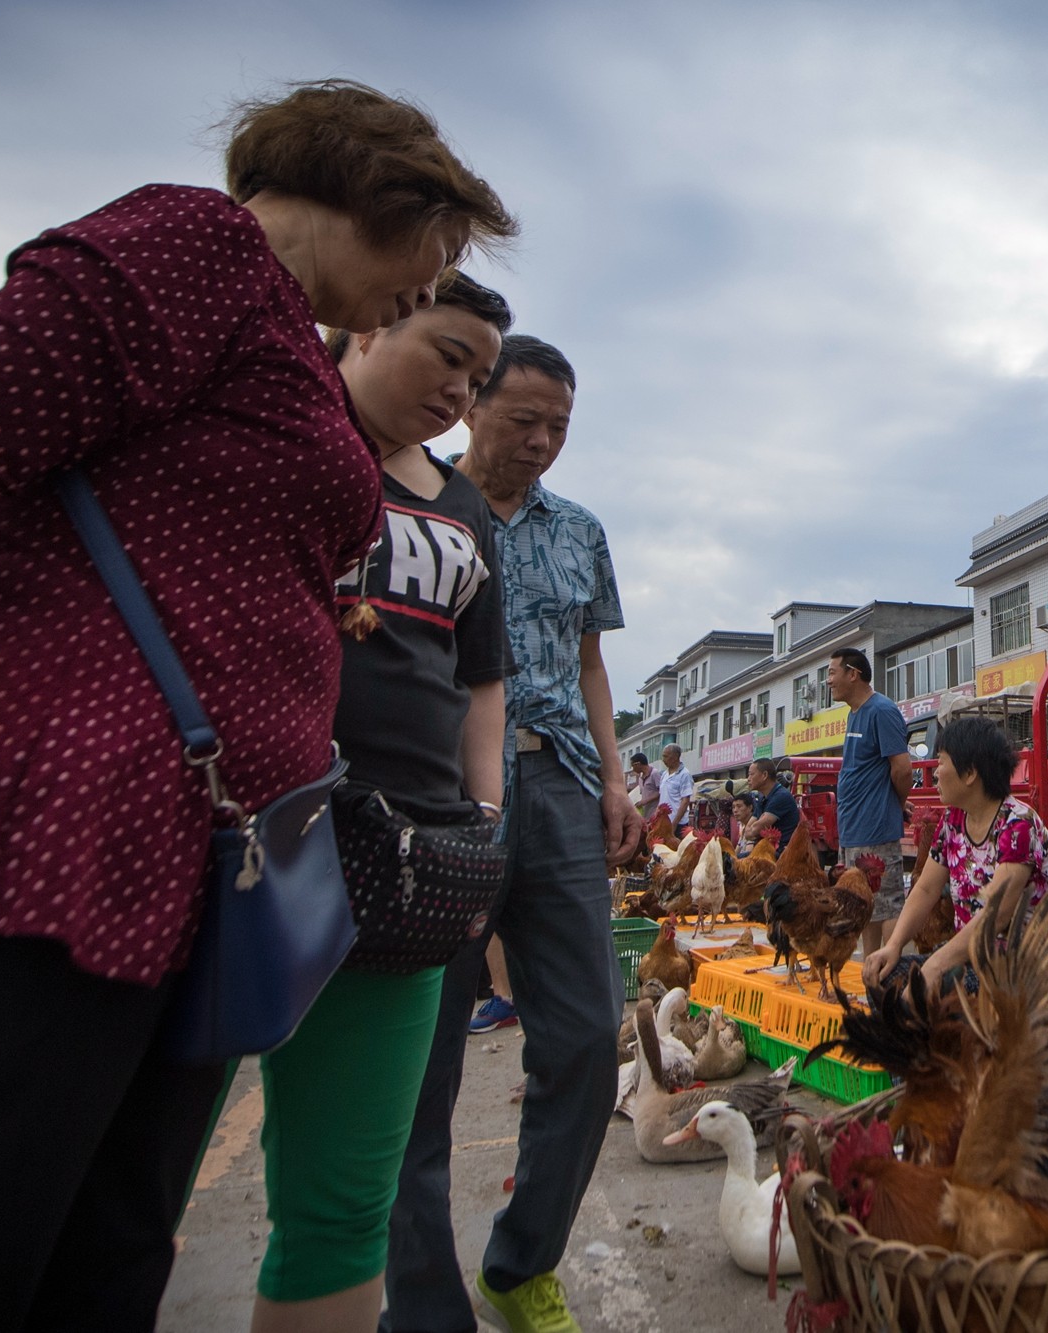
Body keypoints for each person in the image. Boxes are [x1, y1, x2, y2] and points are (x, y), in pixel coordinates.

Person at [0, 80, 515, 1332]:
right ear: (377, 192)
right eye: (436, 252)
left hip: (173, 883)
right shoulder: (190, 245)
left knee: (98, 1265)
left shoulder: (273, 332)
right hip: (36, 851)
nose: (429, 283)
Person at [238, 271, 516, 1333]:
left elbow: (477, 675)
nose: (459, 389)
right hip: (247, 840)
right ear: (367, 319)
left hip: (403, 860)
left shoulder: (459, 508)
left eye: (477, 375)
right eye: (445, 354)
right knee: (125, 1180)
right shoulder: (277, 437)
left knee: (346, 1203)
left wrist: (481, 808)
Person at [385, 336, 641, 1333]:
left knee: (583, 1037)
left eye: (559, 427)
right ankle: (416, 1298)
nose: (540, 441)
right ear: (470, 406)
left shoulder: (579, 529)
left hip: (562, 789)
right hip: (436, 798)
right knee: (417, 1053)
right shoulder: (420, 507)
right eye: (522, 419)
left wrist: (613, 778)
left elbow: (588, 666)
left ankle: (520, 1261)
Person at [866, 717, 1048, 987]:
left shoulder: (1018, 825)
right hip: (977, 955)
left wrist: (937, 962)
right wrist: (895, 945)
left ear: (970, 773)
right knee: (884, 978)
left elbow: (998, 913)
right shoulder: (953, 821)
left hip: (1027, 966)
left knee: (937, 987)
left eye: (942, 762)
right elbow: (926, 889)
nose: (935, 773)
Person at [828, 647, 912, 954]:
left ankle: (891, 972)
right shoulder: (854, 713)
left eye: (832, 672)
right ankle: (871, 970)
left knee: (887, 903)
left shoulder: (881, 711)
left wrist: (897, 805)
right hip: (854, 830)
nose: (828, 681)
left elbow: (902, 769)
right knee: (864, 905)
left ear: (854, 674)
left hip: (875, 829)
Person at [741, 757, 801, 847]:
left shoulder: (781, 796)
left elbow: (754, 830)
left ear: (764, 775)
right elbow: (747, 832)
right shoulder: (762, 798)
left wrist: (755, 830)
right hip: (766, 850)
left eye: (751, 774)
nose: (748, 779)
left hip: (782, 853)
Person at [656, 742, 694, 829]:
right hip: (663, 821)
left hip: (678, 824)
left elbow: (685, 801)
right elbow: (661, 798)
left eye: (666, 756)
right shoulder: (664, 775)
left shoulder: (685, 774)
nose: (663, 760)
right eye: (663, 756)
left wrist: (675, 824)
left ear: (676, 756)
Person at [626, 752, 661, 819]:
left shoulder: (654, 773)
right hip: (645, 814)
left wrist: (645, 801)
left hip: (655, 813)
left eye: (633, 766)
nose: (633, 769)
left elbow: (660, 792)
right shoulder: (640, 778)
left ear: (638, 764)